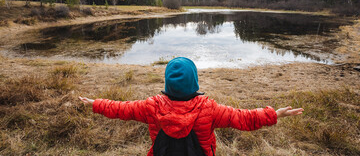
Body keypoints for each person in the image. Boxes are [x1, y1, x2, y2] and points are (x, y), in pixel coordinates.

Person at [79, 57, 304, 156]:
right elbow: (244, 119)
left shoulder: (151, 106)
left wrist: (96, 103)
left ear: (167, 83)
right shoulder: (209, 108)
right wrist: (273, 114)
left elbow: (121, 109)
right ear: (194, 82)